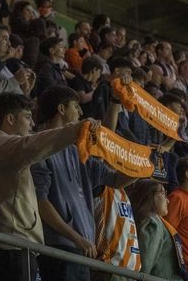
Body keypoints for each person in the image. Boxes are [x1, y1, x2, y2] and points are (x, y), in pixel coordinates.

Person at [0, 92, 97, 281]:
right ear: (10, 119)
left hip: (5, 244)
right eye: (27, 117)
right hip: (11, 245)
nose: (32, 124)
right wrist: (76, 130)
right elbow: (34, 145)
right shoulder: (2, 145)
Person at [31, 86, 121, 281]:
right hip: (59, 249)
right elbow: (40, 202)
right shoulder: (37, 145)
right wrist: (76, 237)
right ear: (61, 109)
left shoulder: (76, 150)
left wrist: (142, 165)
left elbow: (115, 179)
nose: (81, 112)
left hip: (82, 249)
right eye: (76, 106)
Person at [129, 179, 188, 280]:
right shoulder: (153, 222)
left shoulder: (156, 222)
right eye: (164, 193)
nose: (168, 200)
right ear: (149, 196)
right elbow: (145, 267)